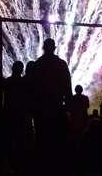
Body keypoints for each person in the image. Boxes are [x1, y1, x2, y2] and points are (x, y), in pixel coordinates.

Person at [33, 38, 72, 172]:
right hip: (56, 107)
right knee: (57, 139)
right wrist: (69, 105)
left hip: (41, 108)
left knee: (42, 138)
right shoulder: (61, 64)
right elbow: (67, 86)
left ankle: (41, 166)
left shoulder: (37, 64)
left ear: (44, 47)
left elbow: (32, 87)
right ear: (54, 48)